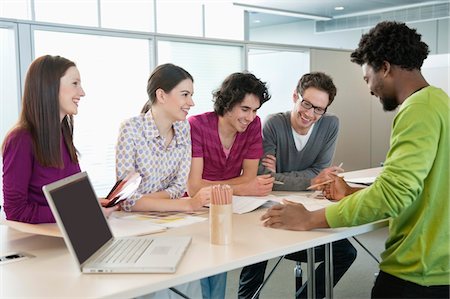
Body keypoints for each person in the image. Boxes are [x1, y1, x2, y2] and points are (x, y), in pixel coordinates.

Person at [261, 21, 449, 299]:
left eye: (366, 78)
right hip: (437, 262)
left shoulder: (417, 109)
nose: (370, 89)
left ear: (384, 68)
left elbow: (393, 195)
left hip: (416, 268)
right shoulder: (439, 101)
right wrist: (351, 191)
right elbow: (421, 190)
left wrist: (311, 218)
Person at [238, 72, 356, 299]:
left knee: (346, 253)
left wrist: (281, 175)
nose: (310, 114)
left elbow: (319, 170)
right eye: (306, 104)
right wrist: (309, 180)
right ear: (295, 96)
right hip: (269, 205)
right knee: (257, 251)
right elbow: (264, 178)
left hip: (308, 207)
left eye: (318, 109)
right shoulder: (273, 124)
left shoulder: (330, 124)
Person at [2, 55, 118, 224]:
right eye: (74, 83)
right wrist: (79, 212)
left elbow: (71, 195)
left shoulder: (62, 133)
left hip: (68, 234)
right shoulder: (20, 139)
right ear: (50, 86)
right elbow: (15, 210)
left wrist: (91, 204)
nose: (82, 92)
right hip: (41, 240)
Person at [187, 72, 273, 299]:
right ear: (228, 103)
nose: (250, 117)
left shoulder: (254, 126)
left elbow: (250, 177)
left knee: (220, 264)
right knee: (202, 271)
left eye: (255, 110)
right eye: (245, 109)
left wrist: (232, 187)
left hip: (231, 209)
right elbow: (194, 187)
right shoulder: (197, 125)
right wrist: (241, 188)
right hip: (198, 211)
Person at [116, 63, 211, 214]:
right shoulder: (130, 129)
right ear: (161, 95)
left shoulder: (183, 128)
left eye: (191, 95)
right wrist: (188, 205)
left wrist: (141, 201)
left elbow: (179, 187)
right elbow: (125, 198)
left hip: (167, 217)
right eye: (185, 94)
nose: (191, 102)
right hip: (133, 221)